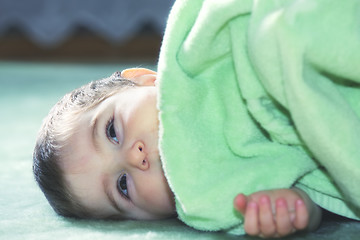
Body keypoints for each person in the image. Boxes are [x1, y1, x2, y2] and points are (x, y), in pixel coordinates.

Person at [34, 68, 322, 238]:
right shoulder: (220, 201)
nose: (135, 157)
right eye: (122, 186)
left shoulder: (205, 63)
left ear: (145, 79)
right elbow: (334, 185)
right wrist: (300, 206)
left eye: (112, 131)